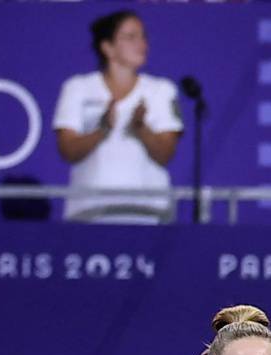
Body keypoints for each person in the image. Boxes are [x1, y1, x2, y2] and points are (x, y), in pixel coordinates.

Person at [53, 9, 183, 224]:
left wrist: (141, 129)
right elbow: (67, 150)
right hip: (90, 210)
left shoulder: (161, 90)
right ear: (108, 47)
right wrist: (101, 130)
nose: (141, 44)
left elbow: (166, 154)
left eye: (143, 37)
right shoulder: (78, 88)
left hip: (148, 211)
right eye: (131, 37)